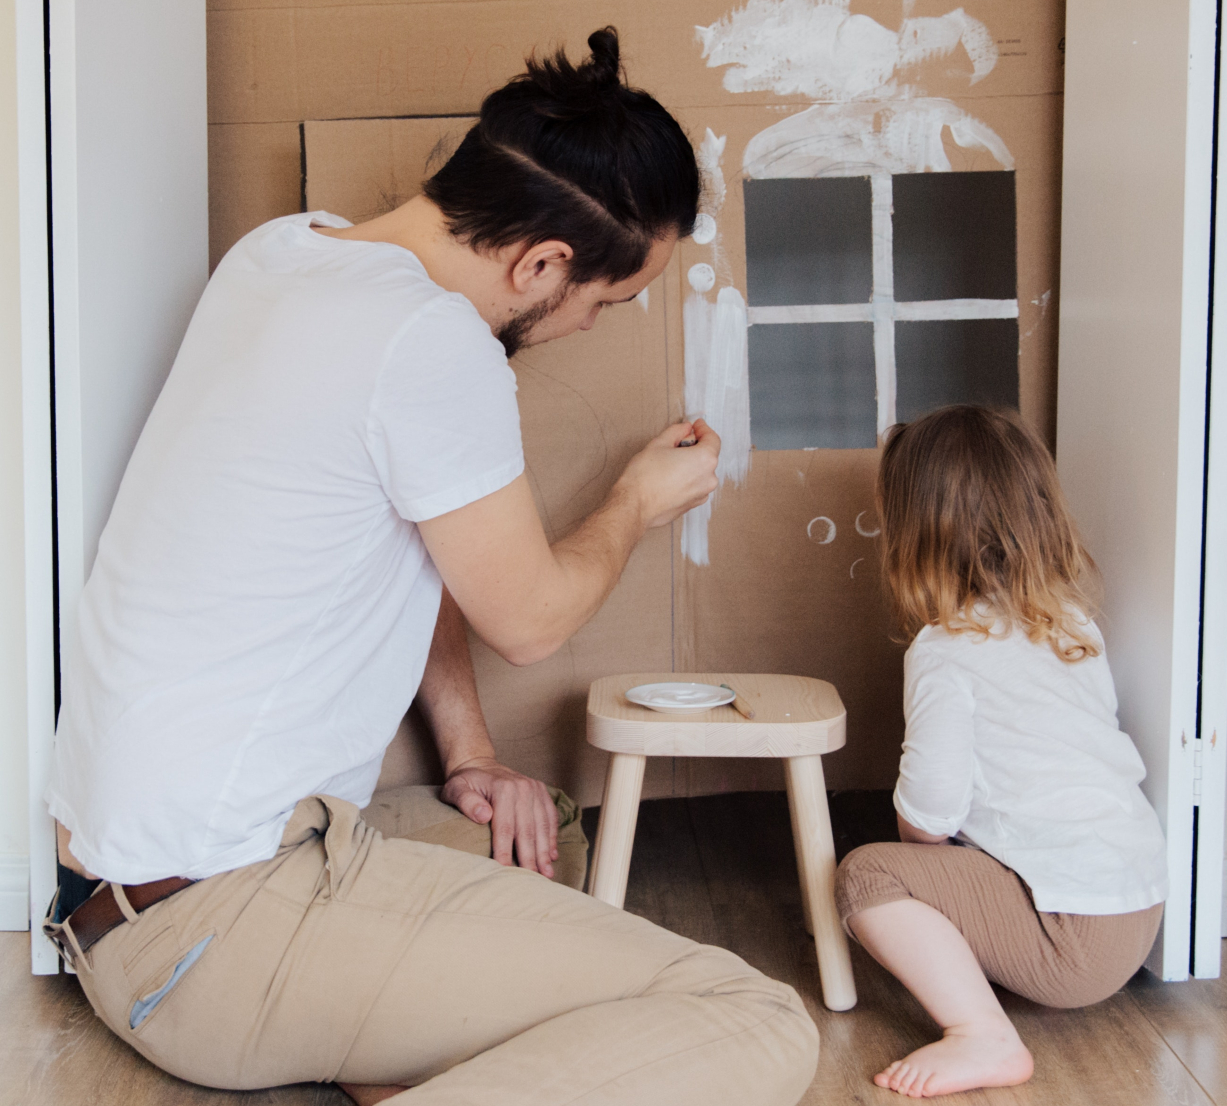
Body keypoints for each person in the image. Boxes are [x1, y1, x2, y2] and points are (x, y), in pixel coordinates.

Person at [42, 28, 817, 1106]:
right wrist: (634, 502)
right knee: (756, 1020)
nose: (591, 323)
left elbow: (410, 540)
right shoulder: (432, 345)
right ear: (542, 262)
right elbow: (531, 619)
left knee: (536, 835)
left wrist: (469, 753)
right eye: (607, 299)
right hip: (214, 932)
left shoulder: (283, 254)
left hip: (126, 892)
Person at [834, 406, 1169, 1098]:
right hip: (1141, 906)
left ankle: (982, 1034)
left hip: (1074, 940)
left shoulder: (946, 650)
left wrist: (926, 845)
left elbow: (929, 810)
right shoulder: (1072, 622)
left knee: (869, 877)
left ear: (914, 536)